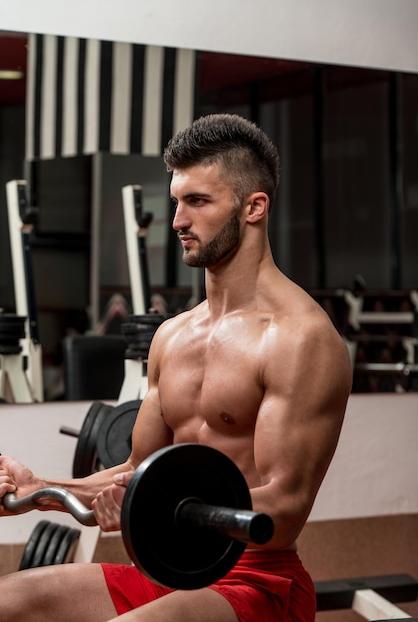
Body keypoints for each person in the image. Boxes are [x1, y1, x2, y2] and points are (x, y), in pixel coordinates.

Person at [0, 114, 352, 621]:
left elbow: (285, 506)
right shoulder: (173, 336)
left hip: (257, 584)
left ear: (255, 207)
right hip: (168, 576)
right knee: (12, 602)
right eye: (177, 202)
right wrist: (39, 493)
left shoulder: (300, 338)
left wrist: (147, 504)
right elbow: (137, 473)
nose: (177, 221)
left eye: (198, 201)